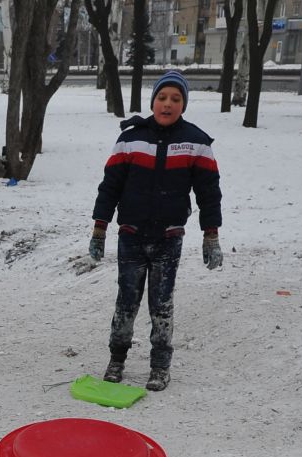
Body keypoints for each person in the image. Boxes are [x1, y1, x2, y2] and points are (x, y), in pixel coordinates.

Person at [88, 69, 223, 394]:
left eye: (175, 99)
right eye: (162, 97)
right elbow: (110, 187)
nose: (167, 104)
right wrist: (99, 228)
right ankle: (116, 359)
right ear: (153, 101)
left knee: (161, 305)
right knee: (126, 302)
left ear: (183, 105)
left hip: (168, 238)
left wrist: (211, 234)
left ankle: (160, 365)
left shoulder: (196, 143)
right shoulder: (131, 139)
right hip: (131, 236)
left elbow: (209, 193)